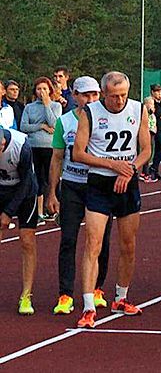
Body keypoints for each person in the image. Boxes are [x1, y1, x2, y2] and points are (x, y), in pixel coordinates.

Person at [72, 71, 152, 328]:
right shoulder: (90, 113)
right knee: (93, 244)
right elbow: (78, 154)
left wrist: (128, 169)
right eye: (114, 96)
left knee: (128, 244)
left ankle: (121, 297)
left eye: (123, 95)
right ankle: (87, 306)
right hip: (99, 183)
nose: (119, 101)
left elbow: (146, 150)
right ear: (104, 94)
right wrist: (112, 165)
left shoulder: (139, 110)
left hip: (127, 182)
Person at [47, 76, 113, 315]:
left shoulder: (108, 119)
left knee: (101, 240)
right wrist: (52, 192)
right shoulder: (64, 122)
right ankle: (65, 294)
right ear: (74, 95)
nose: (91, 99)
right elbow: (56, 158)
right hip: (72, 186)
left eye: (95, 94)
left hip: (99, 186)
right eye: (85, 95)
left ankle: (97, 288)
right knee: (69, 239)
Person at [0, 126, 39, 314]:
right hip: (1, 190)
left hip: (25, 192)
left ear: (2, 144)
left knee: (27, 241)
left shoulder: (21, 145)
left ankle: (26, 295)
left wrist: (8, 213)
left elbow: (26, 183)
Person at [20, 77, 62, 222]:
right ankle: (38, 212)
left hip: (50, 147)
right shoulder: (29, 107)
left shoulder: (56, 106)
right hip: (33, 147)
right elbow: (24, 126)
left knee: (52, 177)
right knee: (37, 179)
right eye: (39, 89)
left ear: (50, 90)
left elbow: (55, 124)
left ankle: (54, 209)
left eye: (44, 88)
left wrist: (46, 105)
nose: (41, 92)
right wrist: (41, 126)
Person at [140, 96, 158, 183]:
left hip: (152, 133)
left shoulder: (152, 114)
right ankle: (146, 173)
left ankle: (144, 172)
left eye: (153, 104)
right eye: (150, 104)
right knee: (147, 152)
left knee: (150, 153)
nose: (152, 106)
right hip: (148, 133)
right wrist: (149, 108)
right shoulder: (146, 113)